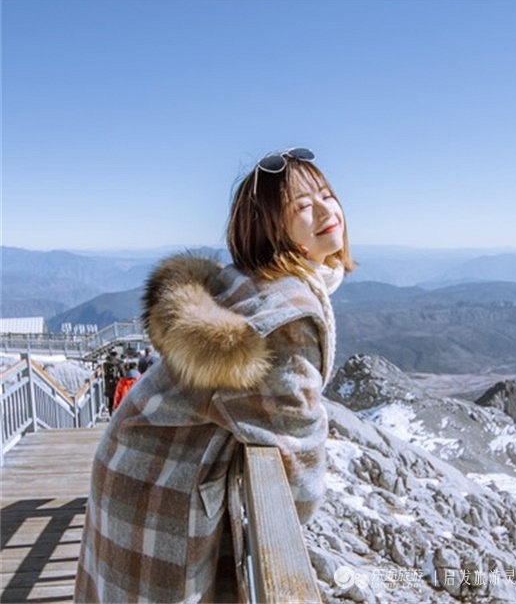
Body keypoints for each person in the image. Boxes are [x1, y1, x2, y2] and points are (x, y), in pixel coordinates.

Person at [75, 147, 354, 602]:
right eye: (303, 206)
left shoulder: (248, 282)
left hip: (136, 466)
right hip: (156, 490)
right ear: (269, 228)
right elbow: (299, 454)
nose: (327, 210)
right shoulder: (285, 316)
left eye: (327, 194)